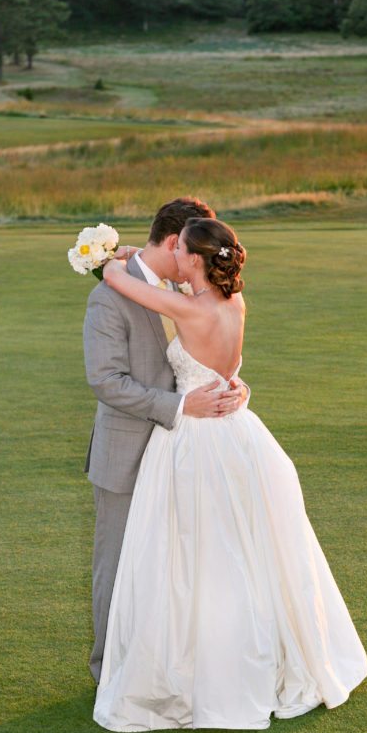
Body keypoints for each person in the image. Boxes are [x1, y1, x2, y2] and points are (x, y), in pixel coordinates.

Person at [93, 217, 367, 731]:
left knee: (194, 555)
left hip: (195, 441)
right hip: (239, 434)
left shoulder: (185, 305)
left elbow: (115, 279)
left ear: (194, 259)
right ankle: (257, 654)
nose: (174, 258)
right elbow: (228, 369)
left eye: (181, 252)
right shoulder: (233, 303)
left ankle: (199, 667)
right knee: (245, 550)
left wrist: (108, 257)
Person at [83, 198, 249, 686]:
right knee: (117, 566)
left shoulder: (189, 283)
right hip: (129, 454)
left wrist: (231, 385)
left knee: (180, 566)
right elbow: (106, 380)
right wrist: (181, 407)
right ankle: (110, 673)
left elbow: (207, 348)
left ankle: (172, 665)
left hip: (189, 455)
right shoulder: (109, 297)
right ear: (178, 243)